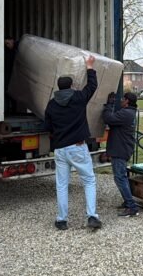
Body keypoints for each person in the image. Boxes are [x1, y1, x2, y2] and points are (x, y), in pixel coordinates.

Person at [43, 55, 101, 231]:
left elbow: (47, 127)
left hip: (60, 149)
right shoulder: (78, 97)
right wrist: (89, 66)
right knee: (89, 180)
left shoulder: (51, 104)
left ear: (58, 87)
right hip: (77, 147)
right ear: (72, 85)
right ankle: (92, 216)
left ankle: (62, 220)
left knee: (61, 185)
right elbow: (92, 86)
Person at [103, 91, 140, 217]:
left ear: (127, 101)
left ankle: (131, 206)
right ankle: (127, 201)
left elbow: (108, 118)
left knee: (120, 177)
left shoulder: (126, 113)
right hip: (122, 148)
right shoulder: (129, 112)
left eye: (123, 99)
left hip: (120, 149)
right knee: (120, 177)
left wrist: (109, 105)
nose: (121, 101)